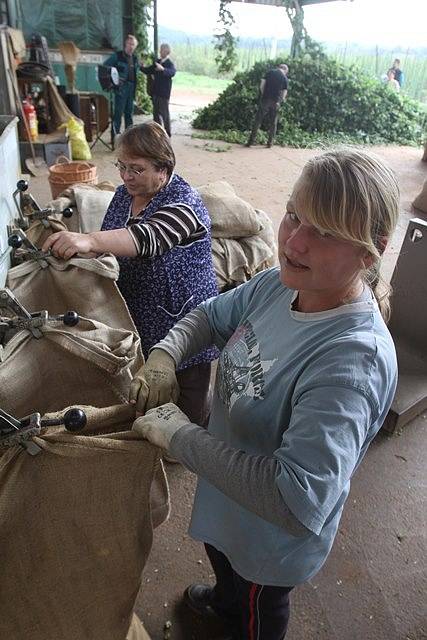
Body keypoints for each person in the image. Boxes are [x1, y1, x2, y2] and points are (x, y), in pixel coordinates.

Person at [131, 148, 400, 639]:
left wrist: (179, 437)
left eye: (325, 231)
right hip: (227, 500)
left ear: (371, 250)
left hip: (269, 538)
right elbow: (211, 317)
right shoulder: (280, 285)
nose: (294, 242)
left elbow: (295, 500)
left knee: (259, 600)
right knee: (224, 559)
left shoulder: (350, 361)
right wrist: (166, 354)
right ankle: (224, 599)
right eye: (294, 215)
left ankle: (241, 615)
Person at [42, 121, 219, 427]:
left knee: (188, 386)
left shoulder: (183, 203)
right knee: (148, 380)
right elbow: (114, 235)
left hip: (183, 312)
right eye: (122, 166)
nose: (126, 176)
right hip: (140, 306)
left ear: (163, 169)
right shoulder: (126, 193)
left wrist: (89, 240)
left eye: (136, 169)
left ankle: (195, 431)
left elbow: (147, 238)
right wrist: (80, 248)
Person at [104, 34, 141, 135]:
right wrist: (113, 81)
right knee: (118, 114)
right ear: (126, 44)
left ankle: (129, 136)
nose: (131, 46)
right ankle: (115, 136)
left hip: (131, 88)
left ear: (135, 46)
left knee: (129, 113)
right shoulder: (118, 56)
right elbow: (105, 67)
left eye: (133, 44)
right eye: (129, 44)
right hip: (121, 88)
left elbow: (137, 73)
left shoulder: (135, 58)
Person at [246, 63, 288, 148]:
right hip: (276, 102)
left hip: (265, 99)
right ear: (285, 70)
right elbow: (284, 92)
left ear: (278, 67)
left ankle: (251, 141)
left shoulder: (269, 72)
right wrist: (280, 101)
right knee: (273, 123)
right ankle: (270, 143)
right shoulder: (284, 78)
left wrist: (264, 94)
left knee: (258, 120)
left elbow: (262, 85)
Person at [141, 43, 176, 137]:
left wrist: (163, 69)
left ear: (167, 51)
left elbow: (172, 72)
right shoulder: (157, 61)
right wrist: (142, 67)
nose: (160, 51)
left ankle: (167, 133)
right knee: (155, 114)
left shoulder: (169, 63)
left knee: (165, 114)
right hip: (155, 92)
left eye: (162, 50)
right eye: (160, 49)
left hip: (164, 93)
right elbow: (149, 70)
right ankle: (157, 132)